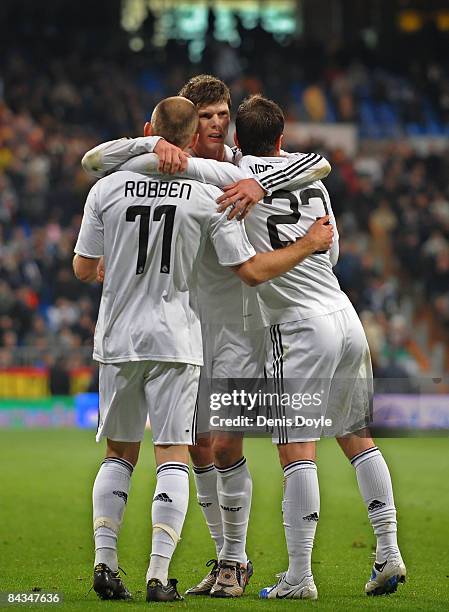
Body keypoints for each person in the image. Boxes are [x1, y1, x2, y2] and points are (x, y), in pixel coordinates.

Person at [74, 95, 334, 602]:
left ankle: (232, 560)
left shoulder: (236, 168)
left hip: (231, 327)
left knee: (218, 445)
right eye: (207, 116)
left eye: (223, 114)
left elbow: (316, 164)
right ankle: (199, 563)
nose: (217, 123)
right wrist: (158, 146)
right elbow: (251, 267)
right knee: (188, 448)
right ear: (194, 128)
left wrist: (261, 183)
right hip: (185, 330)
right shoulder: (200, 184)